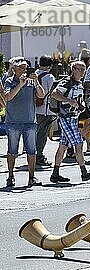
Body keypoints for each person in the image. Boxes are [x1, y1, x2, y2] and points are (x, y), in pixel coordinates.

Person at [49, 61, 90, 183]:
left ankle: (55, 174)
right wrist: (69, 100)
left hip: (73, 118)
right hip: (66, 118)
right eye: (80, 69)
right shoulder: (67, 82)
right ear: (73, 69)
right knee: (78, 144)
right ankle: (84, 172)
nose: (82, 72)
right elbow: (54, 94)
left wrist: (80, 106)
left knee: (63, 146)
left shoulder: (79, 83)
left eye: (84, 70)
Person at [3, 57, 45, 187]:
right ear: (14, 68)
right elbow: (8, 97)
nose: (23, 69)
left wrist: (37, 82)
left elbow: (41, 95)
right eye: (20, 67)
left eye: (25, 67)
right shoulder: (9, 81)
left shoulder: (31, 82)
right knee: (12, 151)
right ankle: (10, 176)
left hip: (29, 121)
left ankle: (32, 177)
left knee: (32, 151)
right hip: (13, 121)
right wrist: (20, 85)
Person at [34, 55, 57, 167]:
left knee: (35, 133)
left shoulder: (34, 75)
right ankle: (39, 156)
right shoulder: (49, 77)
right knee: (42, 135)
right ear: (49, 66)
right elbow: (52, 94)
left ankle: (33, 154)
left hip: (34, 109)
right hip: (46, 110)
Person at [78, 48, 90, 154]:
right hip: (86, 100)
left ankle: (88, 144)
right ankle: (78, 140)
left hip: (83, 100)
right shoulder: (86, 70)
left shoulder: (80, 68)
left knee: (84, 123)